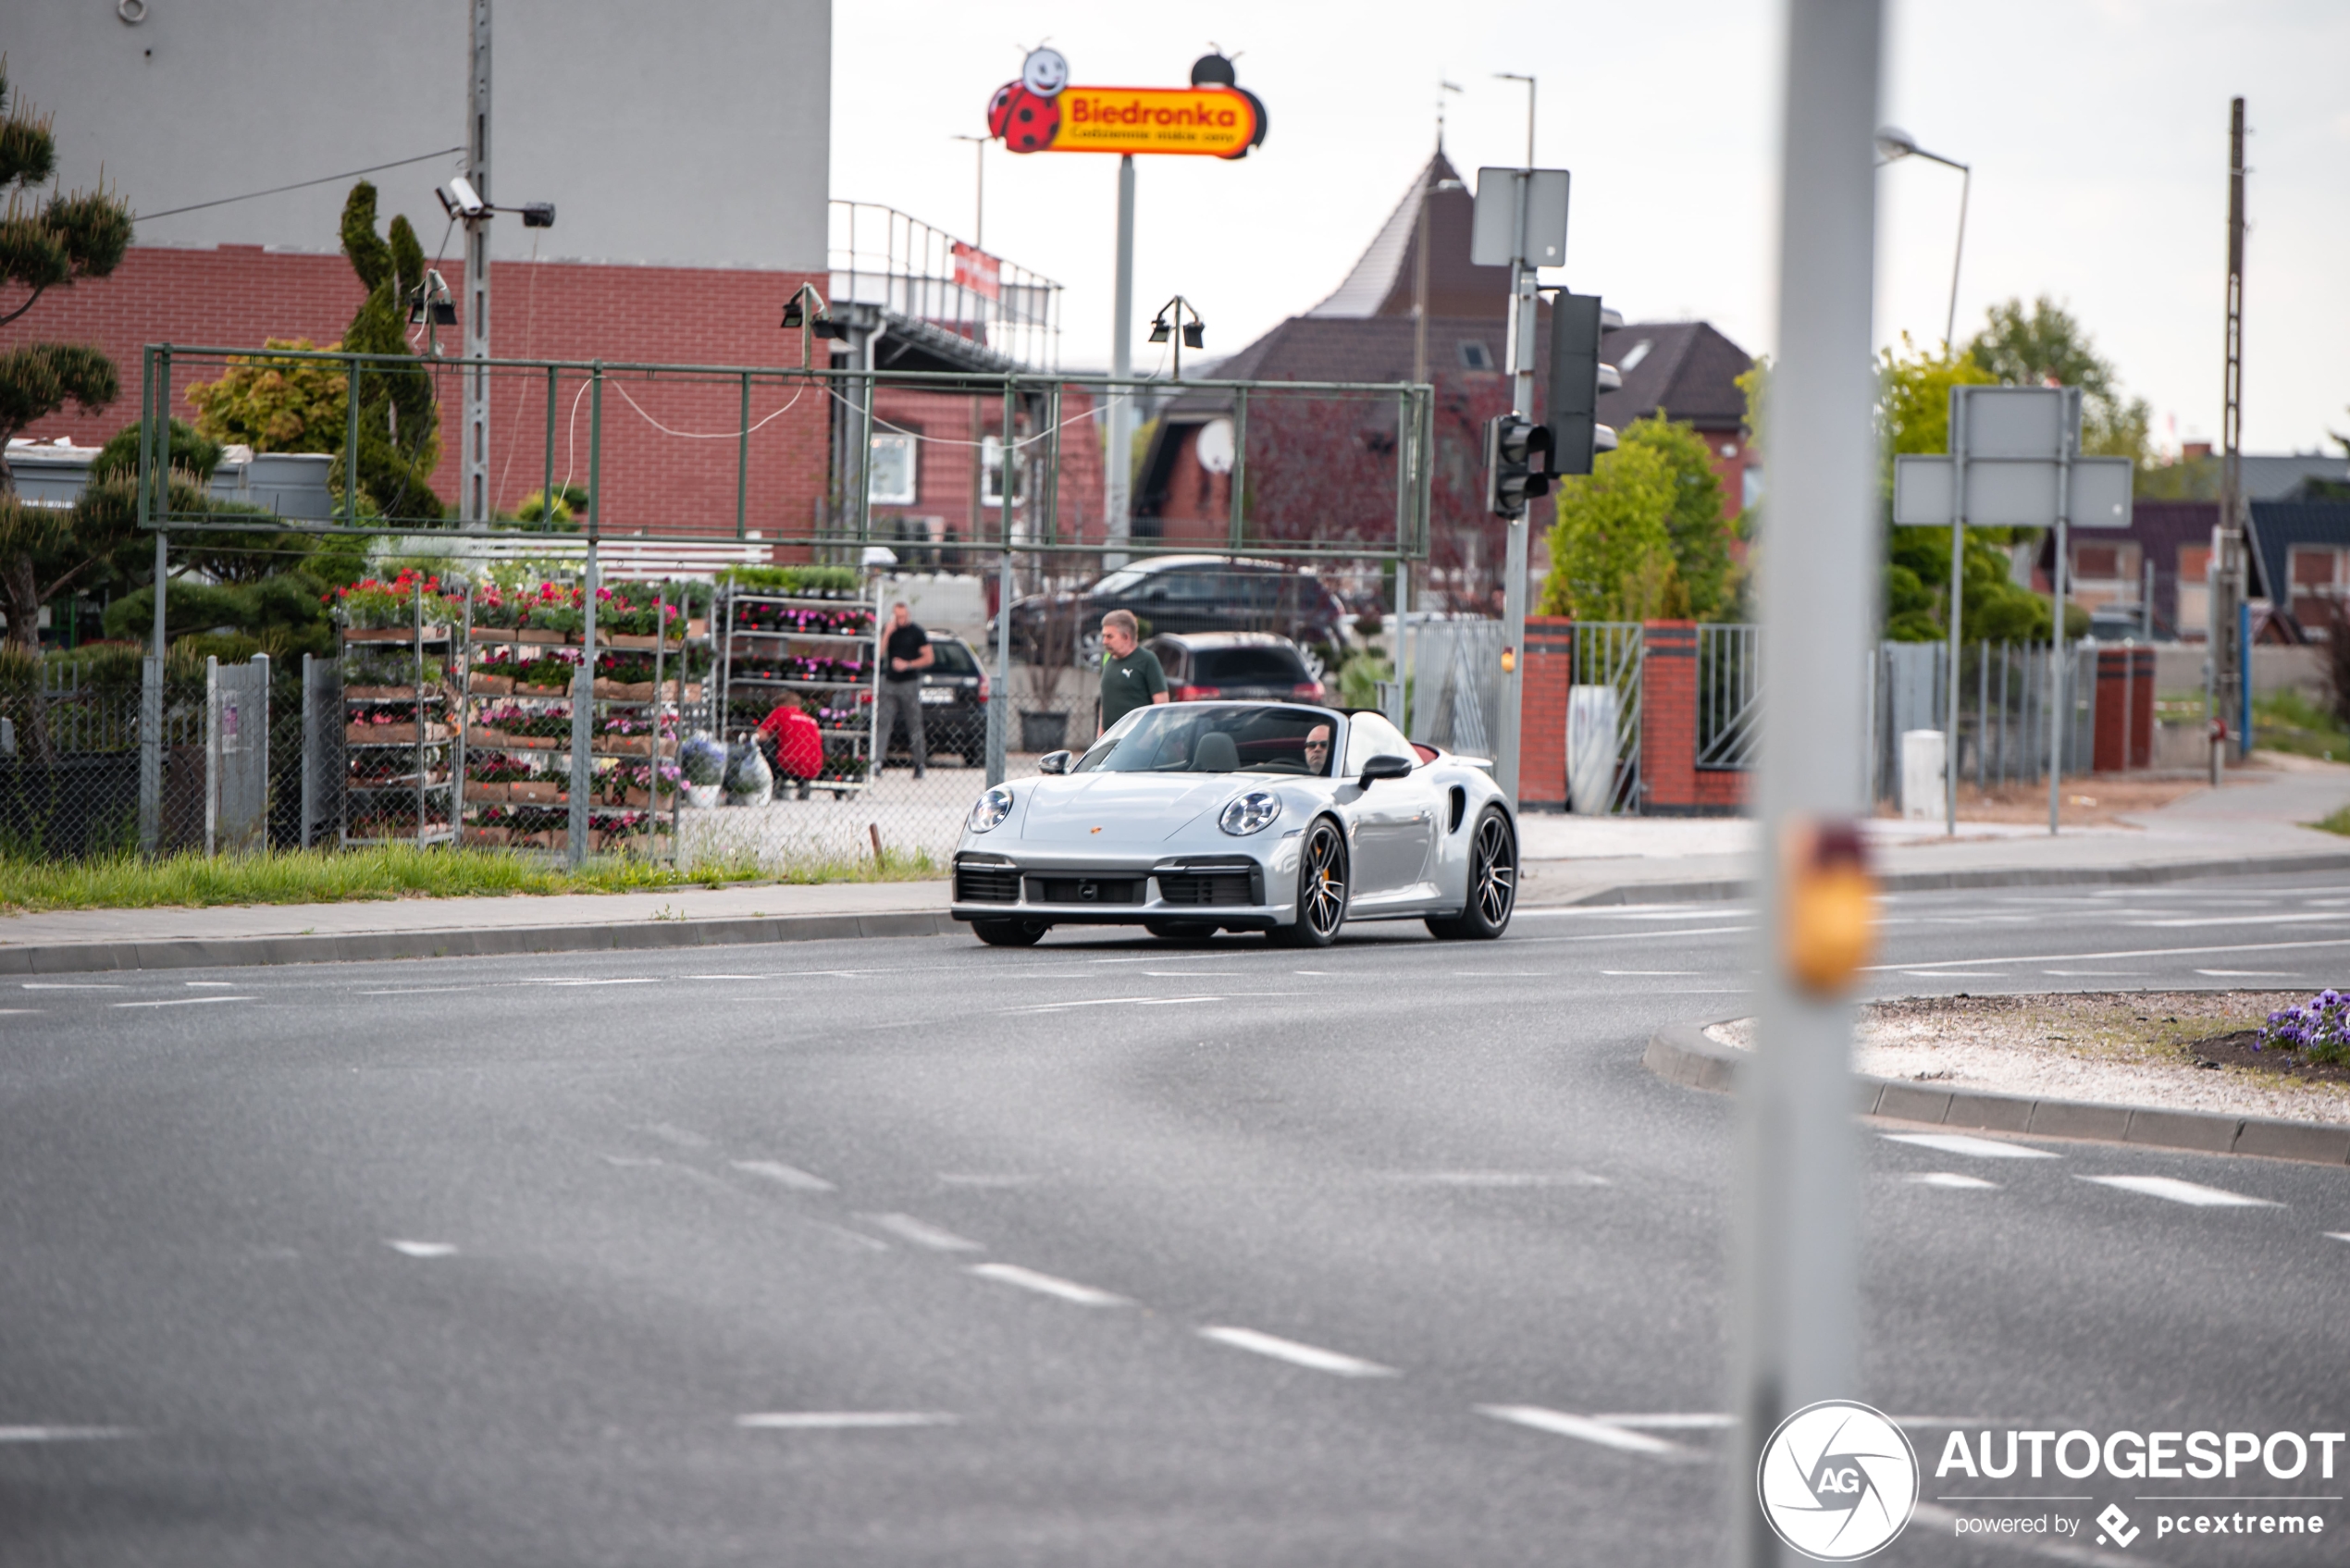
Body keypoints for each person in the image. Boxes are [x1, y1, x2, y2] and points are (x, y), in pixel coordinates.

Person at [876, 601, 934, 778]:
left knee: (914, 723)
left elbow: (929, 658)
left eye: (903, 616)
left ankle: (919, 763)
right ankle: (877, 761)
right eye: (897, 616)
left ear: (908, 615)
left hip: (909, 682)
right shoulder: (889, 630)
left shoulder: (916, 632)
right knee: (883, 722)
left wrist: (908, 665)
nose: (900, 620)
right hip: (890, 681)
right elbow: (878, 655)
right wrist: (887, 634)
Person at [1097, 609, 1168, 736]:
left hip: (1138, 740)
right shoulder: (1107, 659)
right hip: (1111, 739)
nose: (1104, 641)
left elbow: (1161, 703)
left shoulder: (1147, 660)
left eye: (1109, 636)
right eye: (1103, 636)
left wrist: (1148, 737)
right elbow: (1105, 700)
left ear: (1126, 637)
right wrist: (1100, 734)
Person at [756, 691, 823, 800]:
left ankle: (775, 784)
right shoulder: (810, 719)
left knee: (762, 746)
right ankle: (803, 783)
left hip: (789, 762)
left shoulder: (781, 712)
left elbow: (760, 735)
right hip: (814, 766)